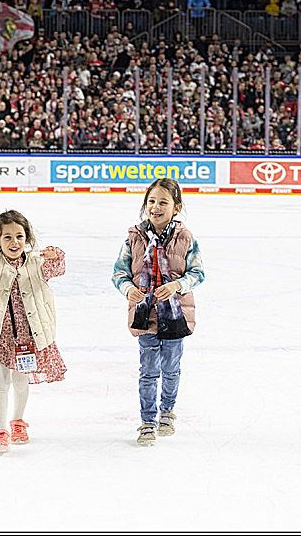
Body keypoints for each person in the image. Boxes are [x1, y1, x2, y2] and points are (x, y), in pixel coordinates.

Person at [111, 178, 205, 446]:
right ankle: (148, 421)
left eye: (163, 202)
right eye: (151, 201)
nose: (156, 206)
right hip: (145, 314)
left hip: (176, 315)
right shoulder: (134, 238)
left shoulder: (185, 238)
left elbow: (198, 273)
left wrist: (177, 285)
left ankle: (167, 411)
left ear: (176, 207)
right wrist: (127, 288)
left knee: (172, 368)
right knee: (149, 370)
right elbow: (119, 271)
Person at [0, 210, 67, 455]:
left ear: (27, 238)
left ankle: (18, 421)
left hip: (27, 335)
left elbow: (58, 269)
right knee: (1, 380)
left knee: (21, 380)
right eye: (7, 237)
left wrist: (56, 255)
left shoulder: (37, 262)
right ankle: (0, 430)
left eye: (19, 236)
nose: (14, 242)